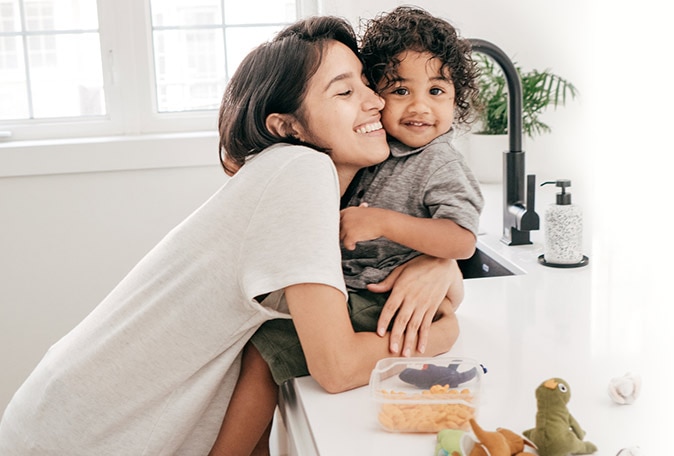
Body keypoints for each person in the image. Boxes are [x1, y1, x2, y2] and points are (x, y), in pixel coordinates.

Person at [0, 16, 460, 456]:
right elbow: (336, 367)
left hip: (75, 412)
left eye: (365, 81)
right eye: (344, 91)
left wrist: (438, 264)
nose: (375, 100)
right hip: (84, 434)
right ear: (288, 126)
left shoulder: (326, 191)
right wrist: (444, 333)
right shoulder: (301, 171)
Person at [210, 6, 483, 455]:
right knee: (264, 349)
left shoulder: (439, 161)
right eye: (398, 89)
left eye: (437, 90)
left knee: (266, 349)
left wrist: (400, 236)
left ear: (457, 100)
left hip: (376, 300)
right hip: (356, 294)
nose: (419, 106)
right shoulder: (363, 154)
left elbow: (463, 239)